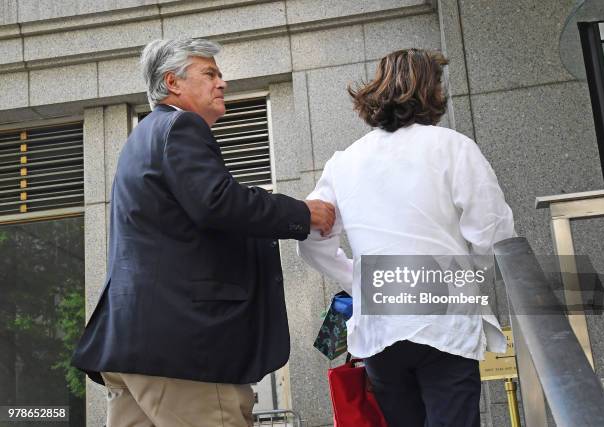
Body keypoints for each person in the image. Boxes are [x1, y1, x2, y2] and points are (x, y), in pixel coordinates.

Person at [71, 38, 335, 427]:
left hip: (132, 347)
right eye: (209, 73)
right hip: (181, 351)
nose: (222, 83)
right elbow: (219, 202)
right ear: (172, 83)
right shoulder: (180, 125)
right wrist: (302, 213)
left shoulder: (142, 138)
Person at [297, 48, 515, 427]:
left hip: (381, 326)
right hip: (444, 315)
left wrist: (361, 279)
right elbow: (494, 234)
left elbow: (313, 240)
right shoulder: (454, 147)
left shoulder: (343, 162)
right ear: (432, 90)